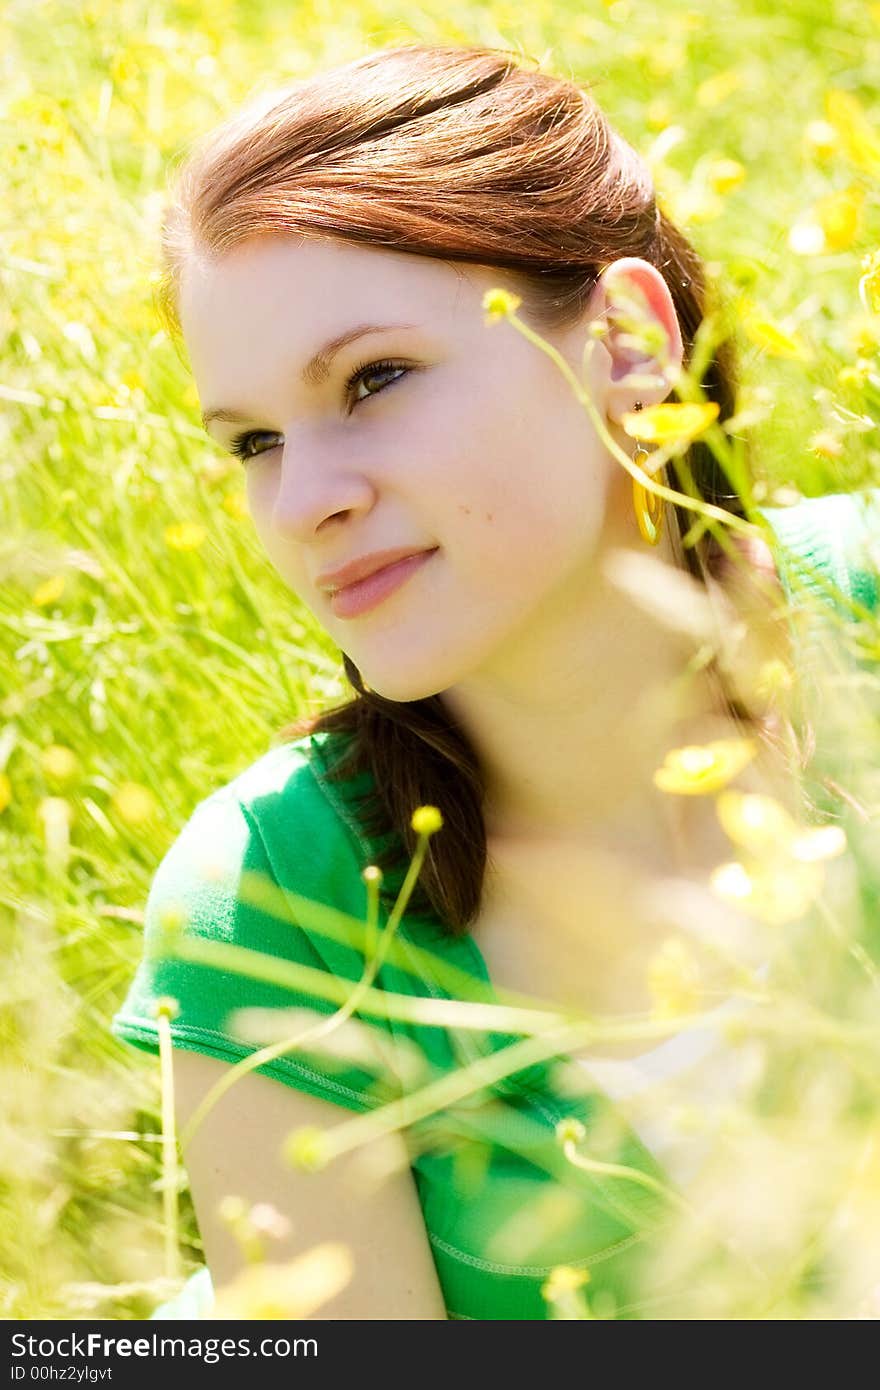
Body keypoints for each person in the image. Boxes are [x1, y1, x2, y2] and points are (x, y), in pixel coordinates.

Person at [111, 41, 880, 1319]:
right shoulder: (276, 899)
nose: (304, 500)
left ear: (629, 344)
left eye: (374, 379)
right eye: (253, 441)